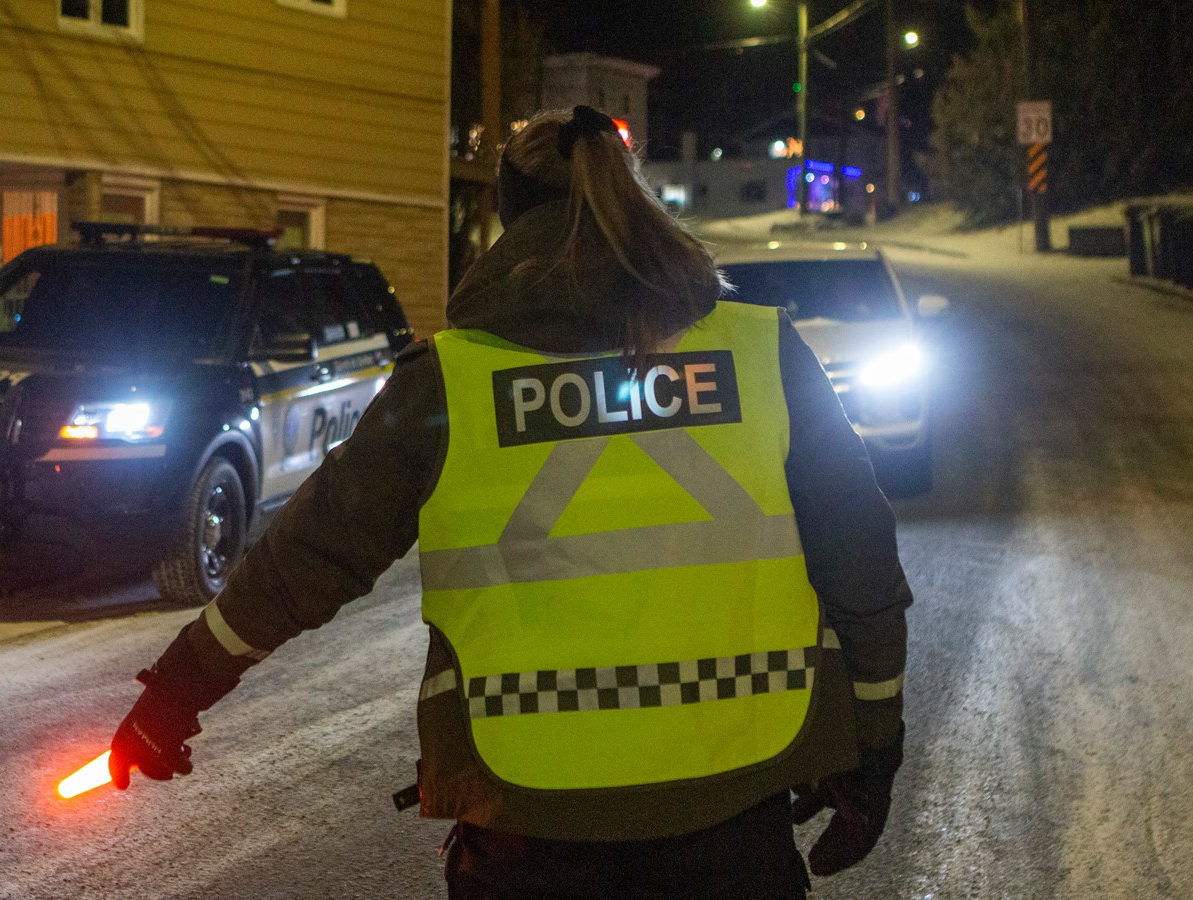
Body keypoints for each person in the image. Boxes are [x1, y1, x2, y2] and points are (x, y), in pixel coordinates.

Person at [106, 106, 912, 900]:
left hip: (529, 825)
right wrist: (872, 747)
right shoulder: (764, 352)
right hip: (733, 816)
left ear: (508, 216)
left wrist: (176, 691)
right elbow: (862, 561)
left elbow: (310, 559)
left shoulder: (452, 382)